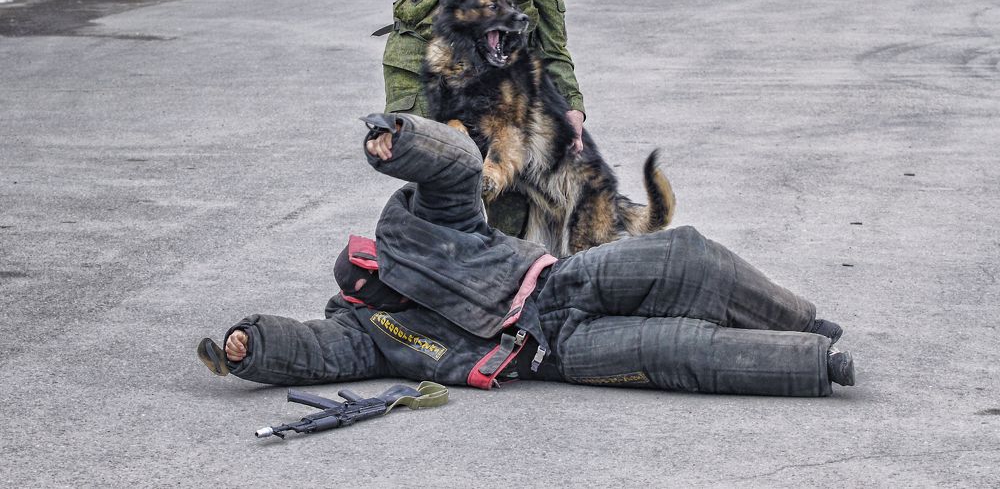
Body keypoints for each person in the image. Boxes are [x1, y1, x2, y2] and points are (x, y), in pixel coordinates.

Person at [198, 112, 857, 398]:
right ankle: (818, 364)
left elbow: (456, 169)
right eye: (370, 285)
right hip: (547, 355)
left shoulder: (420, 227)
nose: (380, 283)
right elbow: (315, 354)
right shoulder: (366, 333)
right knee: (676, 352)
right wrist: (250, 345)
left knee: (683, 254)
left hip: (557, 286)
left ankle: (803, 321)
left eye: (374, 271)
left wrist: (398, 140)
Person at [366, 0, 586, 237]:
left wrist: (573, 109)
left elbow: (553, 47)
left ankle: (504, 271)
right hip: (422, 64)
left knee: (508, 183)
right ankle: (424, 267)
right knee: (439, 167)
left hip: (492, 84)